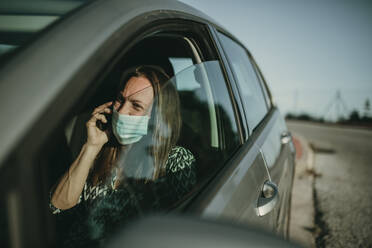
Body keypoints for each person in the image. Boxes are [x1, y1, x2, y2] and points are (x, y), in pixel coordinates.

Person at [49, 65, 197, 247]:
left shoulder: (176, 161)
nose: (122, 110)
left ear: (158, 117)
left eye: (136, 106)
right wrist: (91, 147)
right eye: (120, 99)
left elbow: (178, 232)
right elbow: (57, 208)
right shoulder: (101, 153)